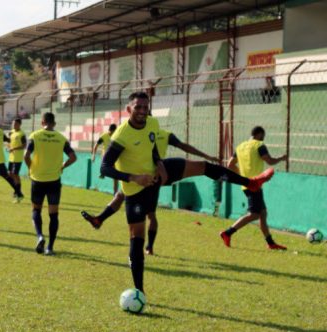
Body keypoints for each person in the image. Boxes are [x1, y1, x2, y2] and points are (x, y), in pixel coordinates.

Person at [99, 92, 275, 294]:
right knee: (137, 239)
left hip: (157, 174)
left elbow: (152, 147)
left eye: (145, 107)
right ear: (129, 109)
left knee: (202, 167)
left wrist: (159, 164)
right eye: (137, 107)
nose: (141, 111)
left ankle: (250, 183)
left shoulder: (152, 123)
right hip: (136, 190)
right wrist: (134, 178)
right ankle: (139, 291)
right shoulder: (121, 136)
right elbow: (105, 167)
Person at [82, 127, 217, 255]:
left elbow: (182, 146)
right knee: (121, 196)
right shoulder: (157, 134)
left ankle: (149, 247)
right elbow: (183, 146)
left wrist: (206, 157)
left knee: (149, 213)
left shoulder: (155, 134)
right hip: (142, 175)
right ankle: (100, 219)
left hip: (154, 176)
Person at [220, 126, 288, 250]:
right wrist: (282, 158)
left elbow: (229, 164)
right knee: (254, 214)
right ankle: (227, 233)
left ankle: (270, 243)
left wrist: (242, 174)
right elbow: (270, 161)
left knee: (262, 213)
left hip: (246, 183)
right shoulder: (259, 145)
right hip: (254, 184)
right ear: (259, 134)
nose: (263, 138)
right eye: (263, 135)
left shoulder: (240, 146)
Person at [23, 112, 77, 255]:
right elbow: (73, 157)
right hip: (54, 180)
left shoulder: (35, 136)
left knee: (36, 210)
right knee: (53, 214)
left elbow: (26, 156)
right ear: (54, 123)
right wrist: (63, 166)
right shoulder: (61, 138)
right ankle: (50, 247)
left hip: (37, 179)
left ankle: (40, 236)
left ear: (42, 122)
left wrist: (30, 168)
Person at [92, 124, 118, 193]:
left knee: (115, 177)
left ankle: (115, 193)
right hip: (105, 157)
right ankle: (103, 171)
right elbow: (96, 146)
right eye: (109, 131)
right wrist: (93, 155)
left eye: (112, 132)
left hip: (114, 158)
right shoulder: (104, 136)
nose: (110, 133)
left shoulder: (116, 136)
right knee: (105, 160)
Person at [7, 118, 27, 200]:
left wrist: (14, 148)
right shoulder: (11, 132)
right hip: (11, 157)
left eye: (15, 124)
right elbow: (10, 142)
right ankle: (17, 191)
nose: (13, 125)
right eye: (13, 124)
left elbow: (24, 145)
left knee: (15, 174)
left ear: (19, 124)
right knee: (10, 174)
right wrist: (8, 146)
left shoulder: (22, 134)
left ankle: (18, 192)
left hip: (18, 158)